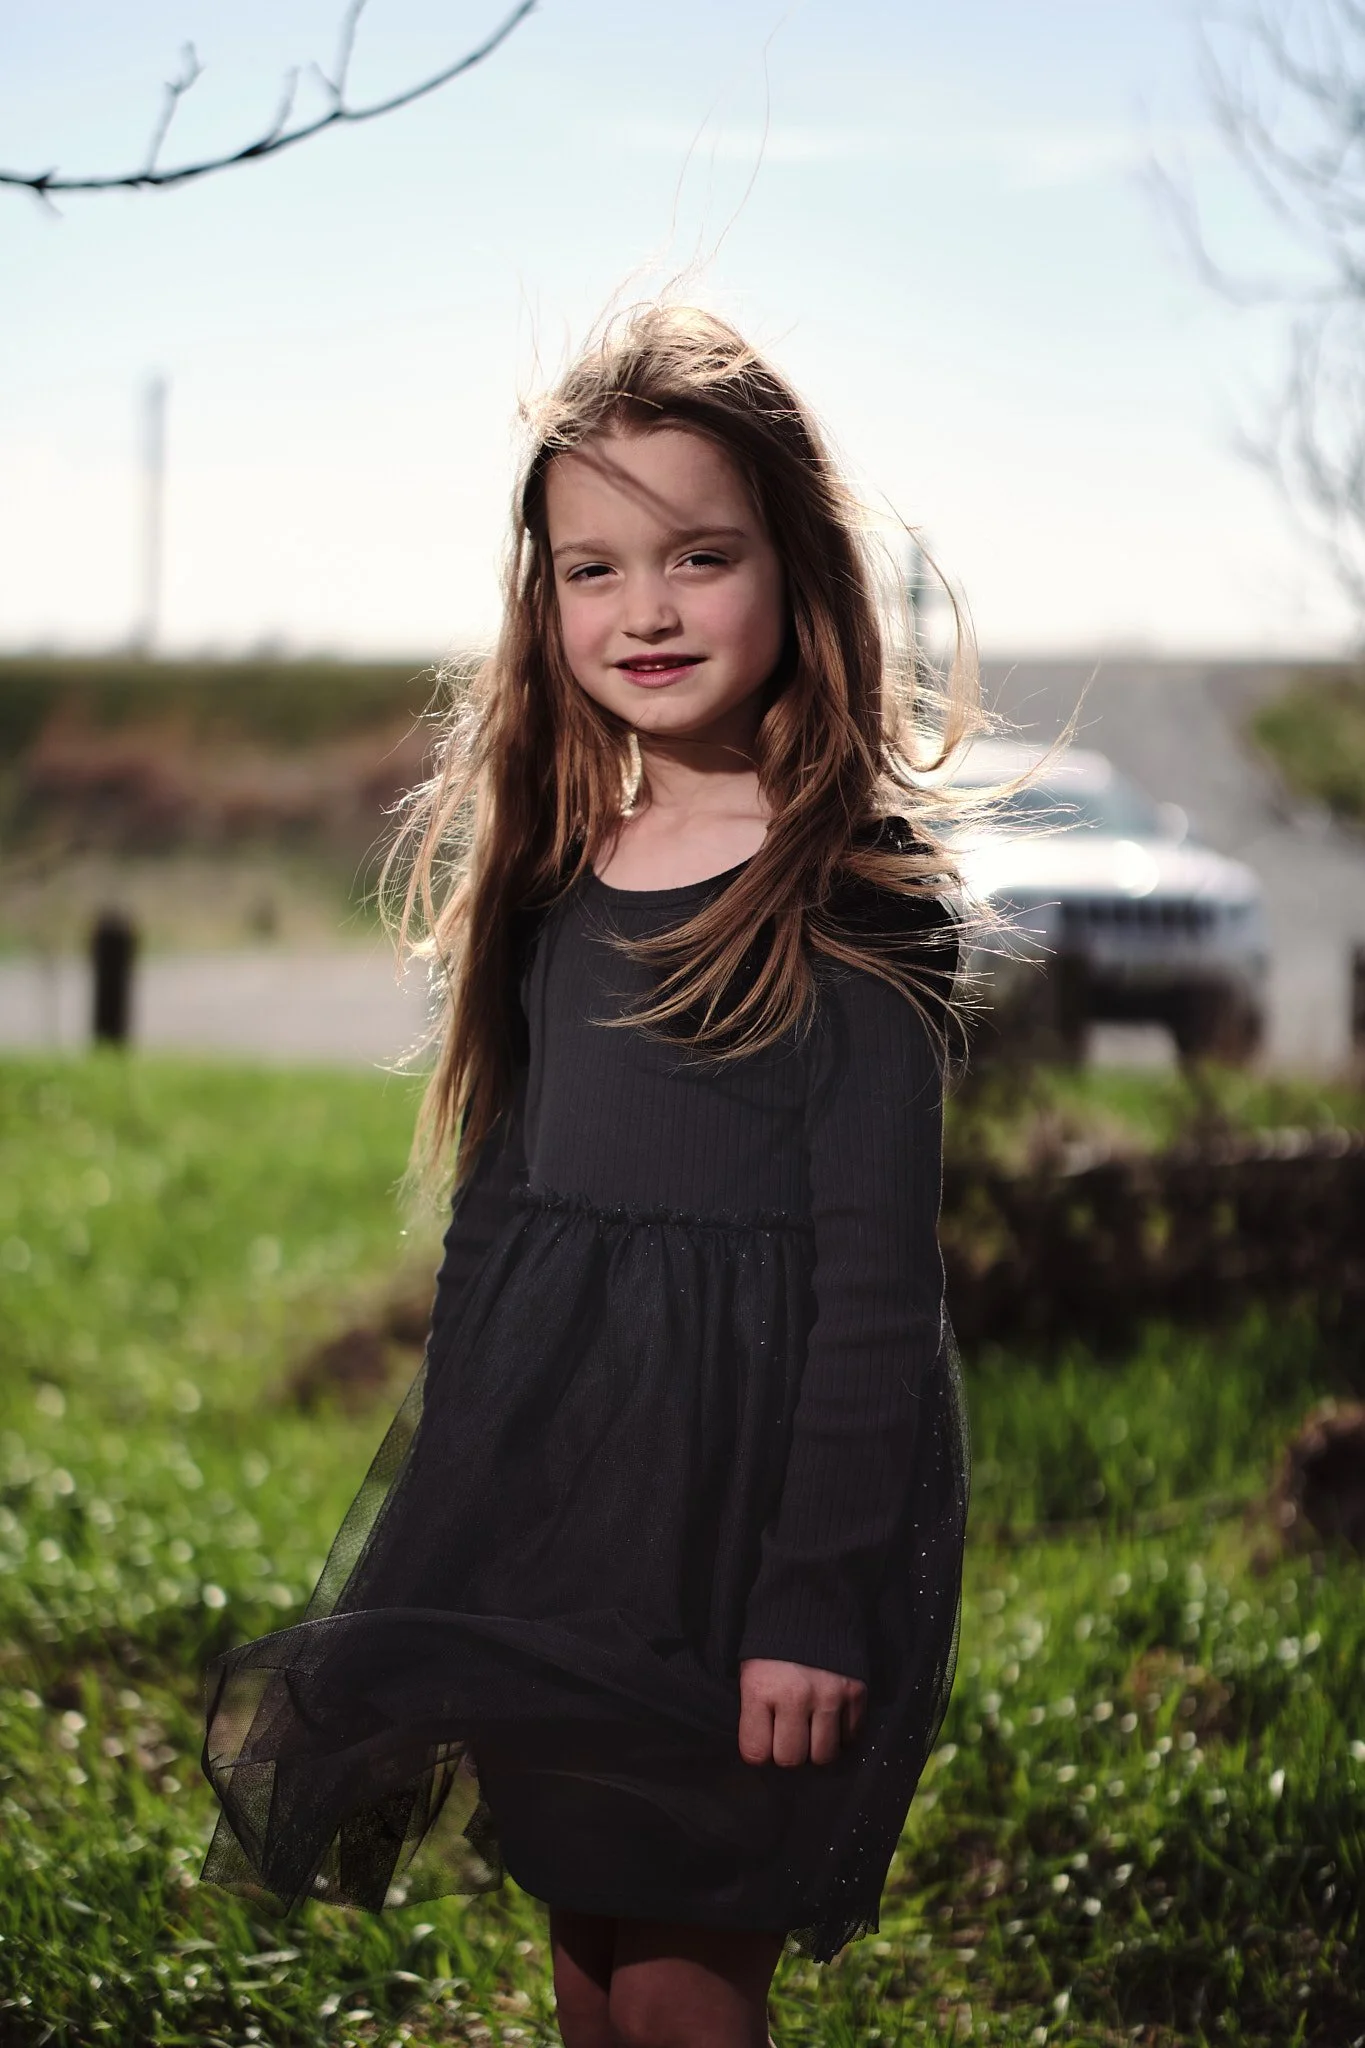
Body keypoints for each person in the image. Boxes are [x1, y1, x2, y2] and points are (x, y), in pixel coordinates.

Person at [201, 304, 976, 2048]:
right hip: (560, 1515)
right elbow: (503, 1226)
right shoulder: (557, 871)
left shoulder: (851, 900)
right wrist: (450, 1521)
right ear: (540, 598)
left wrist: (811, 1600)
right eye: (593, 567)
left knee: (689, 1981)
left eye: (701, 557)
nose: (645, 610)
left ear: (796, 572)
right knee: (589, 1971)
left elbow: (873, 1296)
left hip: (742, 1536)